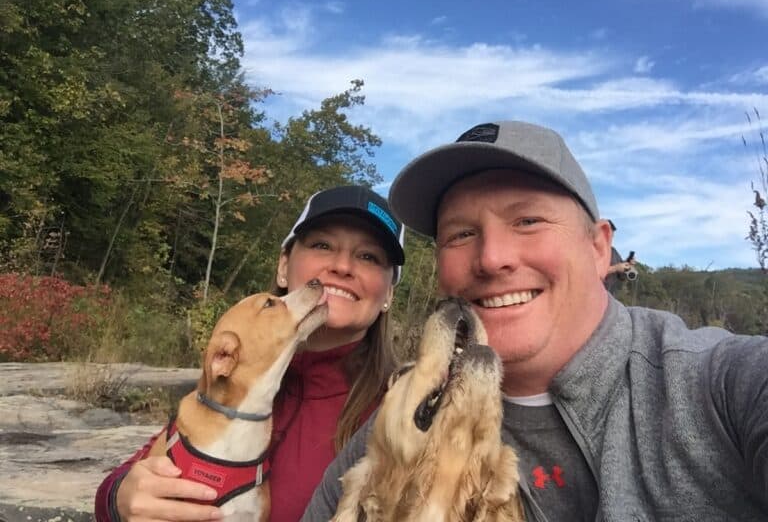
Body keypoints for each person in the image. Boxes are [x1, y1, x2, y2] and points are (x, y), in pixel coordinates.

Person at [302, 121, 768, 521]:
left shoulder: (719, 386)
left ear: (599, 248)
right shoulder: (409, 417)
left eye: (527, 221)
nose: (491, 258)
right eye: (461, 233)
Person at [94, 185, 405, 522]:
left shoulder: (403, 409)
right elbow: (133, 476)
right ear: (284, 265)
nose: (343, 266)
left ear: (388, 292)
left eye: (368, 256)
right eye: (322, 245)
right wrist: (118, 498)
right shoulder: (227, 380)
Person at [604, 219, 637, 294]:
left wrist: (628, 265)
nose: (611, 238)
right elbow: (591, 273)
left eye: (612, 236)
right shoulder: (591, 250)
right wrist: (615, 268)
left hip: (609, 298)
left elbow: (621, 276)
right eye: (609, 235)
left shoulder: (613, 252)